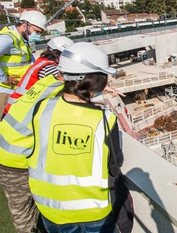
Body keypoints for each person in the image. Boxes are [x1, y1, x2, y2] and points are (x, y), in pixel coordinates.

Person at [27, 42, 126, 233]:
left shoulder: (42, 108)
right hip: (93, 211)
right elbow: (115, 164)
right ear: (97, 81)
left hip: (50, 208)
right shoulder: (105, 119)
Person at [0, 73, 65, 233]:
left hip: (4, 151)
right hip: (16, 162)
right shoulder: (57, 97)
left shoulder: (47, 83)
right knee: (25, 211)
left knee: (18, 205)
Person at [3, 36, 74, 115]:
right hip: (20, 110)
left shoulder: (42, 62)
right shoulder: (48, 68)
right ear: (59, 55)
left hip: (17, 106)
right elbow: (70, 84)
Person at [0, 10, 46, 119]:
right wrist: (4, 79)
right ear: (25, 25)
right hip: (4, 91)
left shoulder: (22, 39)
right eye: (36, 31)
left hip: (14, 90)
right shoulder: (8, 38)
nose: (37, 35)